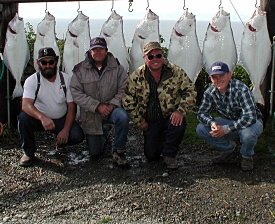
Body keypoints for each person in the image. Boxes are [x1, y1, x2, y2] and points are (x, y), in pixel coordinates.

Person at [123, 42, 197, 169]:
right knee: (152, 156)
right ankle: (160, 138)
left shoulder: (176, 72)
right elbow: (127, 99)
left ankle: (170, 155)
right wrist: (139, 121)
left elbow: (191, 91)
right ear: (145, 58)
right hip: (150, 121)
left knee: (178, 123)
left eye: (158, 55)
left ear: (163, 56)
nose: (155, 59)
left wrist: (180, 111)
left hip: (170, 117)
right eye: (150, 57)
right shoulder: (136, 76)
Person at [18, 47, 84, 167]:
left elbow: (71, 107)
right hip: (40, 120)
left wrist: (65, 130)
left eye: (51, 62)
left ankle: (61, 142)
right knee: (23, 118)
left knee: (77, 135)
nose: (47, 65)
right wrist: (42, 117)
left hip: (60, 119)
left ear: (56, 61)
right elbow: (25, 105)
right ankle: (28, 152)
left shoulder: (66, 79)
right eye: (43, 62)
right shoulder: (32, 80)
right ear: (38, 63)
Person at [70, 37, 129, 168]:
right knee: (95, 153)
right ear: (90, 52)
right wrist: (97, 106)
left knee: (123, 117)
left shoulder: (118, 68)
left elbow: (124, 88)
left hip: (112, 109)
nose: (98, 52)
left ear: (106, 51)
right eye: (94, 50)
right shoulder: (80, 70)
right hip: (91, 114)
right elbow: (76, 92)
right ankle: (104, 134)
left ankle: (119, 151)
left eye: (101, 49)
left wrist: (112, 105)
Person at [196, 61, 263, 171]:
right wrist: (212, 123)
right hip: (229, 121)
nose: (218, 79)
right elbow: (201, 113)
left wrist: (226, 129)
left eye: (221, 75)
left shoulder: (241, 89)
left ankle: (246, 156)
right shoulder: (209, 92)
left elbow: (250, 117)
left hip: (252, 122)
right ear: (210, 78)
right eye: (214, 77)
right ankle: (229, 150)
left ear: (229, 74)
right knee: (201, 129)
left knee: (248, 135)